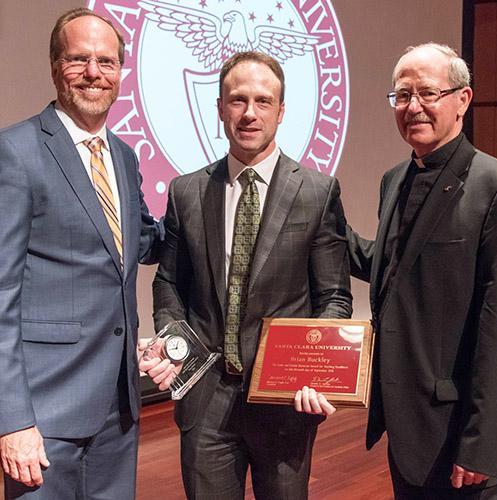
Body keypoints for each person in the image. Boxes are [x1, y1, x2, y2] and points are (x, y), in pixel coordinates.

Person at [139, 51, 352, 499]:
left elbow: (333, 295)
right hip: (204, 400)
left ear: (281, 110)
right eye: (237, 100)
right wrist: (175, 346)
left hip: (284, 403)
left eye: (262, 100)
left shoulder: (317, 191)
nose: (249, 113)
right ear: (219, 108)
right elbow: (169, 283)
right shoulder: (186, 191)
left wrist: (315, 371)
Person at [0, 8, 161, 500]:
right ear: (54, 67)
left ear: (119, 74)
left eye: (106, 62)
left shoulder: (123, 155)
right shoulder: (16, 152)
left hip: (119, 408)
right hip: (44, 419)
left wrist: (217, 201)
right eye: (79, 59)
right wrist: (12, 421)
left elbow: (142, 243)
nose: (94, 72)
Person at [348, 43, 497, 498]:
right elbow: (395, 267)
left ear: (463, 100)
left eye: (428, 93)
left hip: (459, 432)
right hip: (406, 421)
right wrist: (324, 225)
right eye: (402, 95)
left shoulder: (492, 185)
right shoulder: (393, 179)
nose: (413, 107)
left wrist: (482, 445)